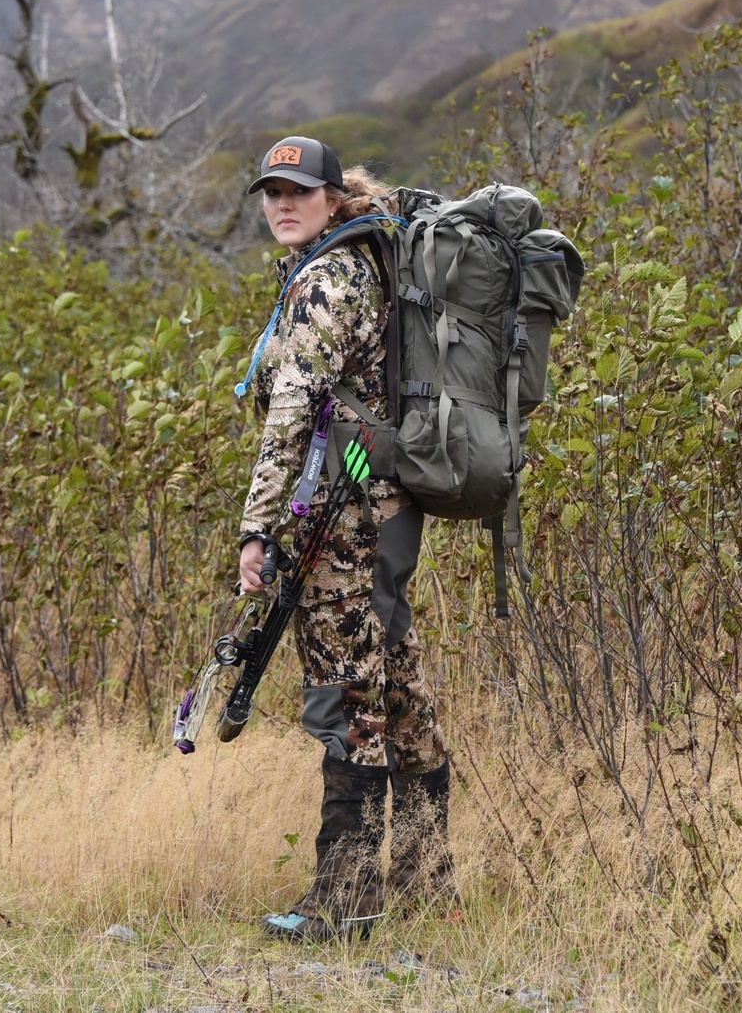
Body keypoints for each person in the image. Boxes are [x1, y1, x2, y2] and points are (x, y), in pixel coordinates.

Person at [238, 135, 455, 941]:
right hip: (387, 509)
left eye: (298, 190)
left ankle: (347, 901)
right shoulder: (365, 263)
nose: (282, 204)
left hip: (342, 521)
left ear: (335, 196)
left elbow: (294, 414)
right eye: (270, 192)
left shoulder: (327, 279)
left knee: (347, 694)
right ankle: (428, 882)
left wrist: (257, 528)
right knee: (398, 682)